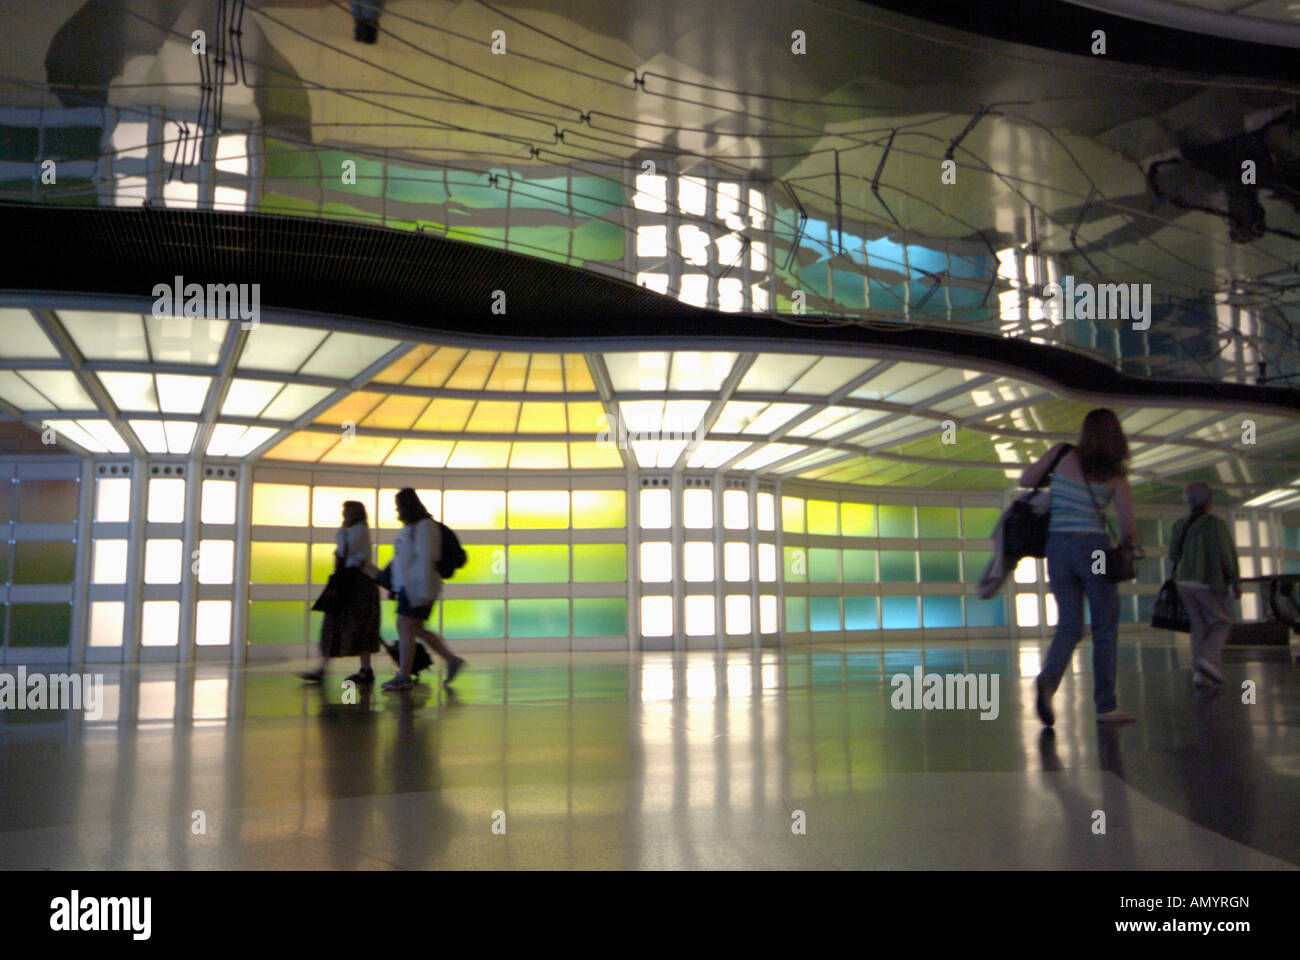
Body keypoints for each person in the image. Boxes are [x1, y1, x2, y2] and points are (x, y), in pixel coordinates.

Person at [1020, 408, 1137, 726]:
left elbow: (1026, 480)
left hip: (1057, 548)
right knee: (1104, 625)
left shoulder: (1061, 453)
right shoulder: (1116, 473)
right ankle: (1105, 705)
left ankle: (1047, 681)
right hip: (1094, 550)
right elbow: (1128, 528)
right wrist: (1127, 544)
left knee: (1069, 625)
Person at [380, 488, 466, 692]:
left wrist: (424, 594)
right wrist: (396, 587)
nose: (397, 511)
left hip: (419, 589)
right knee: (415, 628)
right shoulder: (412, 528)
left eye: (399, 506)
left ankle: (404, 675)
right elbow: (403, 561)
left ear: (407, 507)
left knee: (405, 627)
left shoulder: (425, 528)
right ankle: (451, 660)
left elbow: (426, 561)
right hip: (411, 588)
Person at [299, 500, 380, 685]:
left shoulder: (358, 531)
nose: (344, 515)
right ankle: (361, 669)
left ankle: (336, 668)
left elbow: (345, 551)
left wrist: (342, 534)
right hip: (351, 582)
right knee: (351, 626)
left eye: (347, 511)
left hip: (355, 584)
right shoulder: (353, 531)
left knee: (352, 626)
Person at [1169, 482, 1241, 687]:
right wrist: (1235, 581)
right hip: (1206, 580)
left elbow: (1173, 554)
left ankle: (1201, 675)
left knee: (1198, 627)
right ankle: (1206, 660)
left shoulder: (1180, 524)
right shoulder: (1214, 524)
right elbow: (1227, 555)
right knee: (1220, 623)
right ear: (1209, 500)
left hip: (1183, 582)